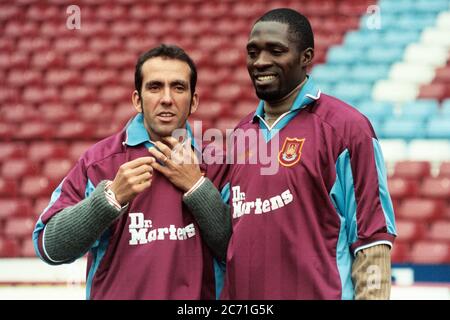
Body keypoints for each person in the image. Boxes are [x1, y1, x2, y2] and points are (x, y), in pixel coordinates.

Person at [150, 8, 397, 300]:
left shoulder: (346, 128)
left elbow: (372, 241)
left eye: (275, 51)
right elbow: (231, 237)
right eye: (252, 52)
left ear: (306, 57)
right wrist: (196, 188)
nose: (260, 62)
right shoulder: (243, 134)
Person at [32, 44, 224, 300]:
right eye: (155, 87)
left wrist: (198, 188)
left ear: (194, 101)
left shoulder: (217, 163)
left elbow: (239, 252)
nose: (167, 98)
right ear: (137, 99)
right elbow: (49, 247)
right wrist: (109, 199)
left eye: (178, 87)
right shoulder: (99, 162)